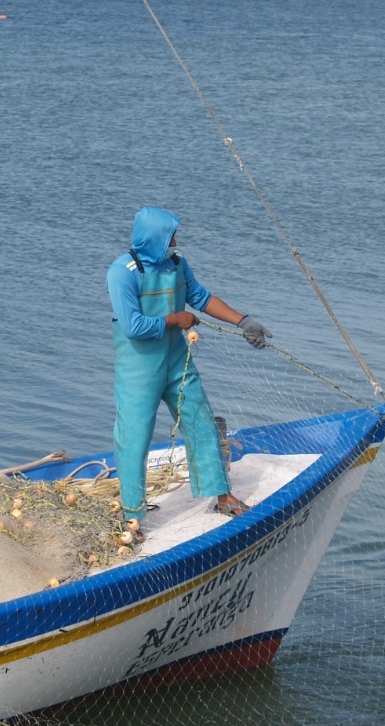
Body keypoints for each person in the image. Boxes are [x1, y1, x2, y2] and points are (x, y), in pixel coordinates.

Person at [106, 206, 270, 534]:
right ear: (151, 238)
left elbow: (201, 297)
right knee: (134, 437)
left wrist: (244, 322)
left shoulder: (177, 263)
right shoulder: (123, 272)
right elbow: (133, 325)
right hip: (139, 368)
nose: (175, 241)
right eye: (169, 236)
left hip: (177, 360)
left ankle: (222, 496)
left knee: (201, 422)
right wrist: (176, 320)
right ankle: (132, 516)